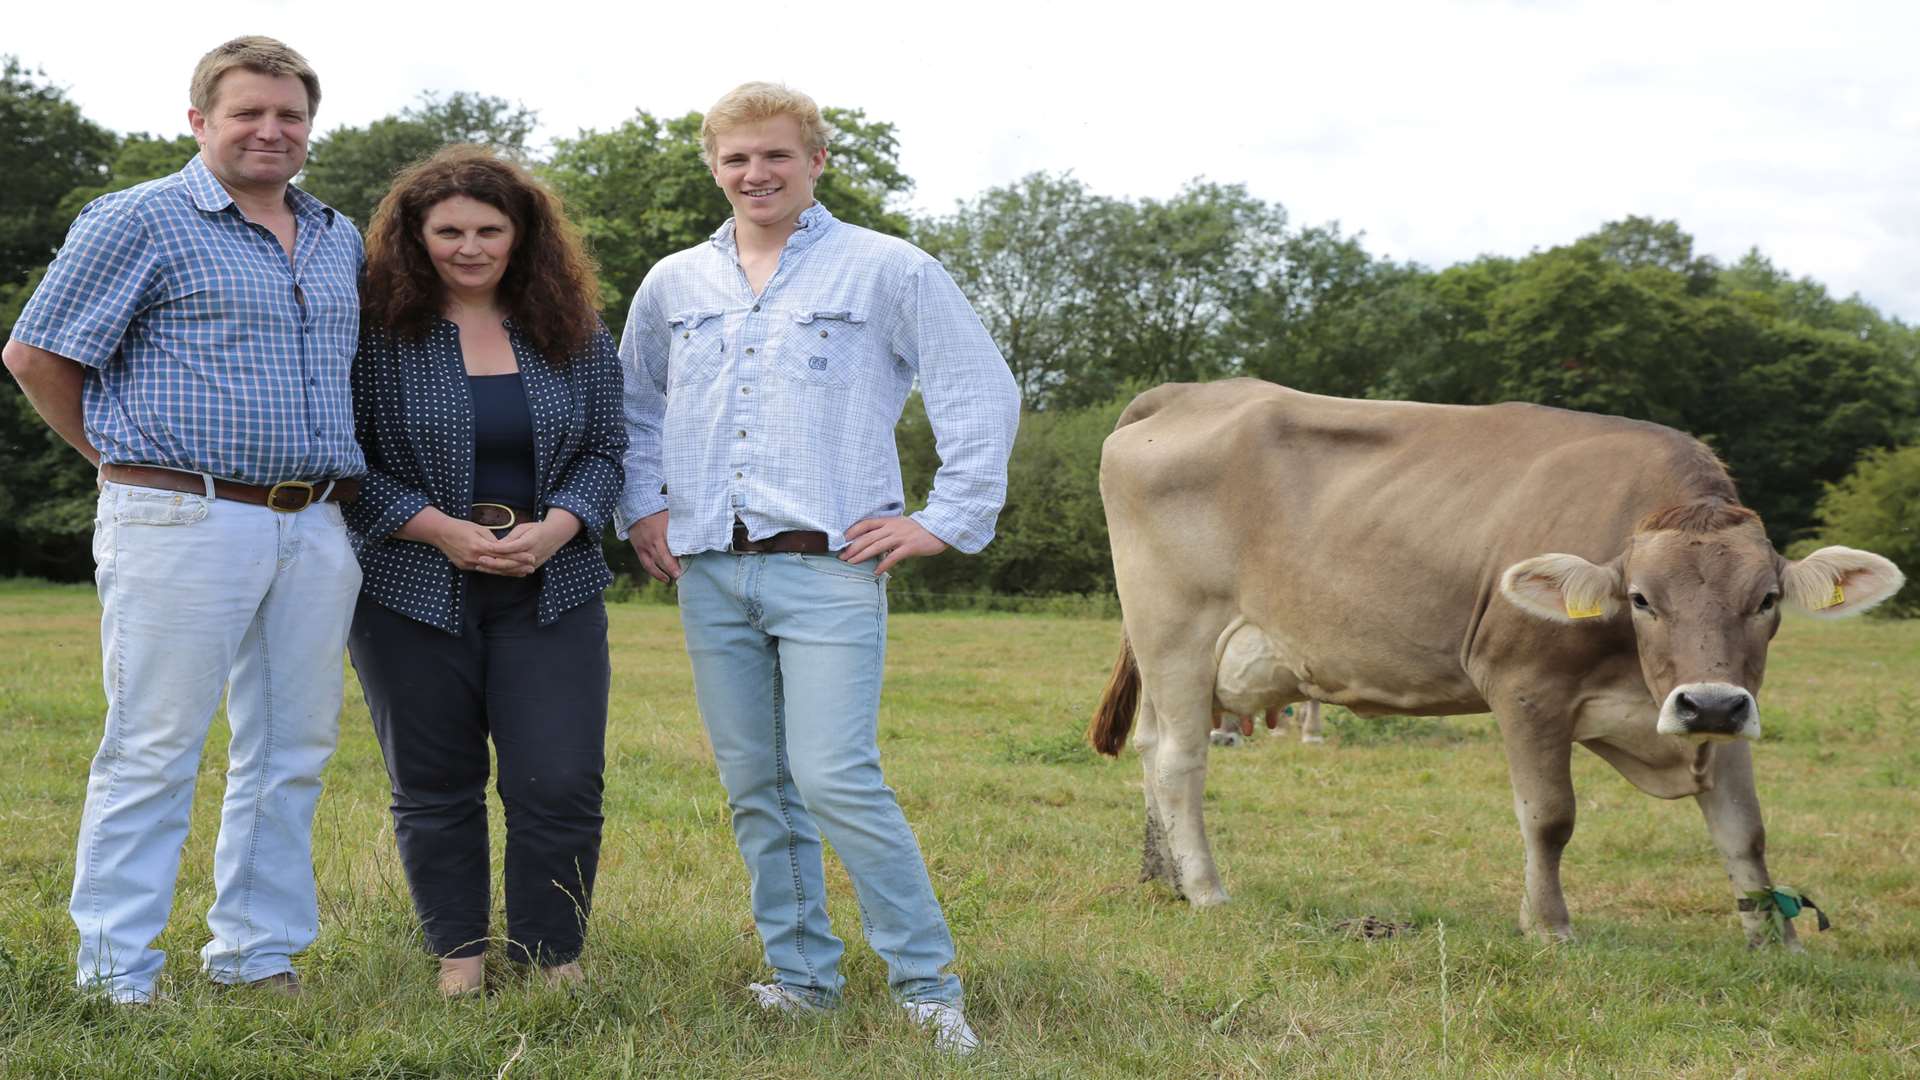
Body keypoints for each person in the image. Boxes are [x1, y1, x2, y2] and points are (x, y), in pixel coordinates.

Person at [620, 82, 1019, 1055]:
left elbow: (978, 389)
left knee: (835, 774)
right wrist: (644, 508)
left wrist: (945, 519)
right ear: (713, 167)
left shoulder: (887, 269)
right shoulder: (674, 283)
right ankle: (802, 980)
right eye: (736, 159)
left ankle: (927, 985)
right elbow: (632, 405)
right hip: (710, 570)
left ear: (817, 161)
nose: (756, 174)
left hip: (830, 567)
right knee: (757, 782)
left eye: (776, 157)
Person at [1, 36, 362, 1003]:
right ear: (199, 119)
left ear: (309, 127)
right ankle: (117, 974)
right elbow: (36, 356)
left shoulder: (339, 235)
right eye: (247, 112)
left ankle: (257, 957)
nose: (270, 130)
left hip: (316, 522)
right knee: (155, 746)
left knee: (290, 750)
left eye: (289, 115)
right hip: (181, 516)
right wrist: (120, 469)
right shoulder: (139, 219)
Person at [344, 145, 624, 996]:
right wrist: (439, 532)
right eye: (449, 230)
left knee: (561, 777)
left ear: (522, 235)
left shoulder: (573, 332)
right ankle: (459, 958)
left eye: (489, 229)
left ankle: (551, 958)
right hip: (409, 586)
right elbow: (342, 459)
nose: (469, 247)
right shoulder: (373, 335)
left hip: (553, 584)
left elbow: (609, 448)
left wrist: (558, 529)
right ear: (413, 236)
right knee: (434, 782)